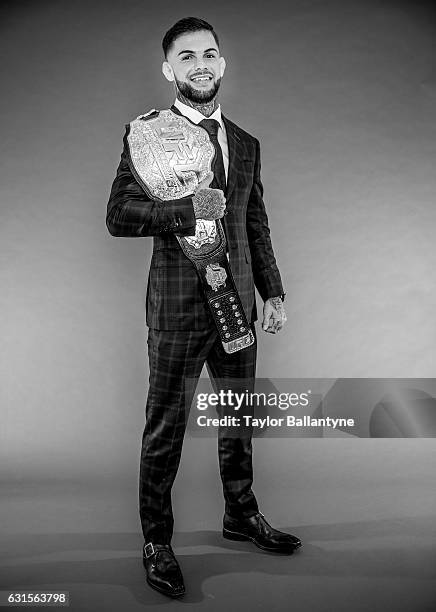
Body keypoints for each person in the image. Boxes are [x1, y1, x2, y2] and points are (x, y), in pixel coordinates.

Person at [106, 16, 302, 599]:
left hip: (237, 304)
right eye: (186, 56)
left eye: (209, 54)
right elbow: (118, 217)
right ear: (169, 70)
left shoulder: (245, 143)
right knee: (165, 429)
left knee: (239, 420)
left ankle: (240, 515)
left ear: (223, 64)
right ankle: (157, 541)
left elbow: (255, 224)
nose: (200, 65)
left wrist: (274, 291)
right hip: (177, 311)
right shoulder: (146, 135)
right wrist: (188, 210)